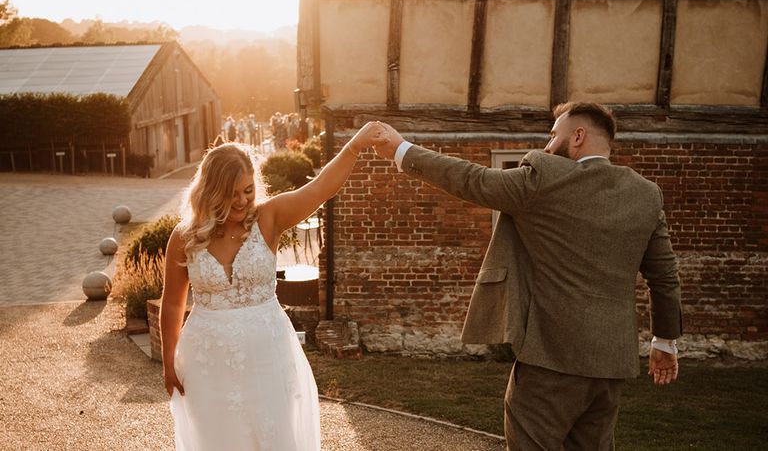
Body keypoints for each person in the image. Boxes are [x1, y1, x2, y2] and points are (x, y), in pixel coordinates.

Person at [374, 102, 682, 450]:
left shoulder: (545, 177)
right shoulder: (645, 194)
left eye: (554, 135)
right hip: (610, 366)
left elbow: (473, 180)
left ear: (578, 136)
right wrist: (664, 342)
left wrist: (401, 149)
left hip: (549, 359)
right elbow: (665, 276)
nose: (548, 145)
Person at [160, 122, 383, 450]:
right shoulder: (184, 237)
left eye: (248, 190)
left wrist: (354, 146)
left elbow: (321, 189)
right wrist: (168, 360)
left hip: (268, 355)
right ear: (210, 191)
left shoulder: (269, 218)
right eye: (231, 193)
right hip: (207, 362)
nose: (241, 201)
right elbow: (172, 302)